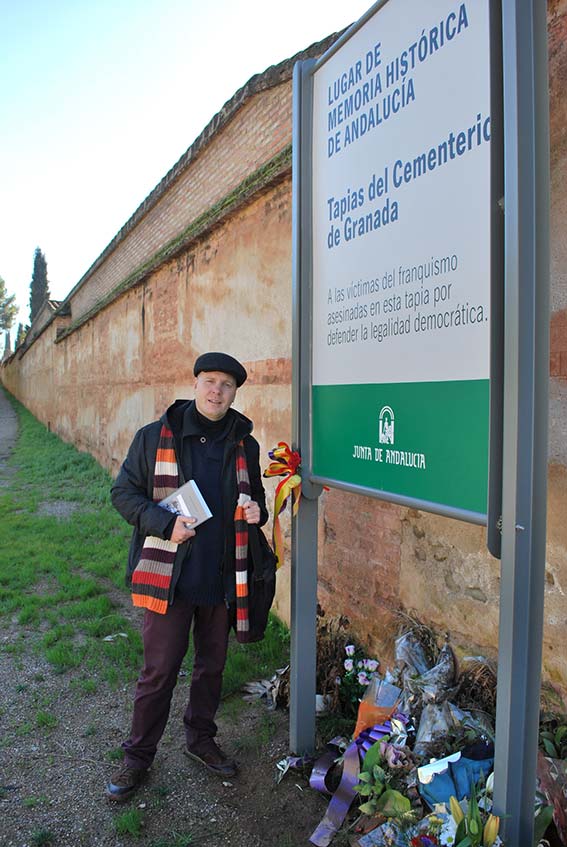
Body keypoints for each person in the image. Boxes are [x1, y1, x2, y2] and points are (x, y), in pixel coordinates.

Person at [106, 352, 268, 802]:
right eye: (210, 381)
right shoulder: (156, 436)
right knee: (158, 672)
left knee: (211, 668)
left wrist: (258, 510)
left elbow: (255, 499)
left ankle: (200, 739)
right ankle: (137, 756)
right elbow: (122, 493)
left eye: (226, 385)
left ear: (235, 393)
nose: (217, 391)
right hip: (170, 578)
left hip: (221, 579)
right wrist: (163, 523)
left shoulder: (244, 444)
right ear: (195, 384)